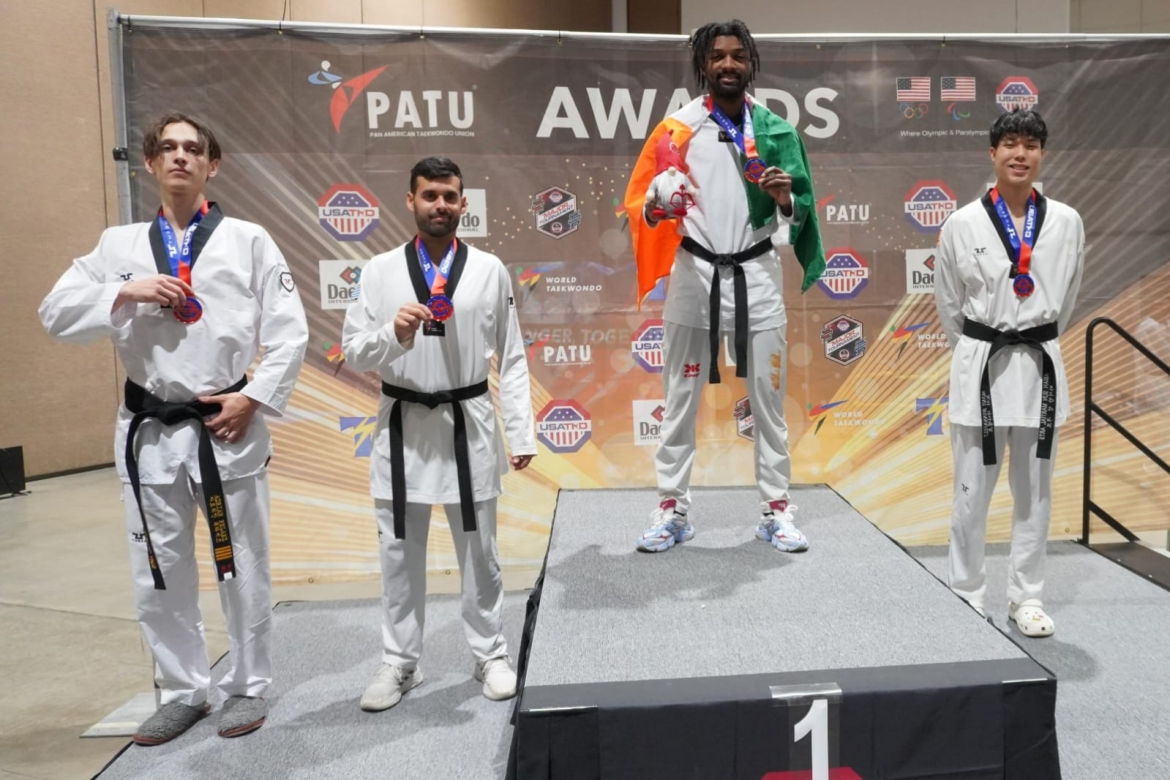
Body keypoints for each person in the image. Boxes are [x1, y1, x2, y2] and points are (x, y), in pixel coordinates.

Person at [39, 112, 308, 742]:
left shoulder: (248, 240)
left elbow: (290, 331)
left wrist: (253, 399)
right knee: (157, 567)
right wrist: (123, 294)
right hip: (149, 429)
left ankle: (248, 685)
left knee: (241, 563)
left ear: (212, 165)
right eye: (168, 148)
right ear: (150, 163)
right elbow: (54, 312)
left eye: (193, 148)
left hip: (225, 426)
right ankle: (184, 689)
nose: (180, 156)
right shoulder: (118, 247)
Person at [342, 156, 536, 711]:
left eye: (450, 196)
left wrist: (520, 433)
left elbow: (512, 356)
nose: (440, 205)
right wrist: (394, 334)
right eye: (430, 195)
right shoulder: (378, 270)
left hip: (467, 423)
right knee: (399, 554)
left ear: (463, 203)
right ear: (411, 200)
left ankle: (490, 653)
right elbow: (354, 352)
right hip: (402, 424)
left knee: (481, 552)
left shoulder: (489, 269)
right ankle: (400, 662)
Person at [623, 20, 825, 554]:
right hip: (695, 275)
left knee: (769, 403)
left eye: (738, 55)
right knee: (678, 400)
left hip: (757, 276)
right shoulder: (676, 130)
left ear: (750, 63)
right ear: (703, 64)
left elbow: (802, 208)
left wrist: (785, 199)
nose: (728, 64)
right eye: (718, 56)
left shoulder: (776, 131)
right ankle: (672, 508)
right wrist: (655, 208)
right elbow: (642, 205)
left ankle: (776, 509)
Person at [935, 108, 1084, 637]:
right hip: (982, 365)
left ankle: (1028, 597)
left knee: (1035, 494)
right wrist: (981, 347)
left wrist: (1035, 335)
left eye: (1031, 145)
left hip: (1040, 366)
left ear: (1041, 154)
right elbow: (949, 305)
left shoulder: (1065, 221)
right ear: (993, 153)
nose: (1021, 154)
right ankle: (966, 592)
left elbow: (1067, 296)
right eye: (1011, 144)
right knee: (971, 492)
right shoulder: (962, 223)